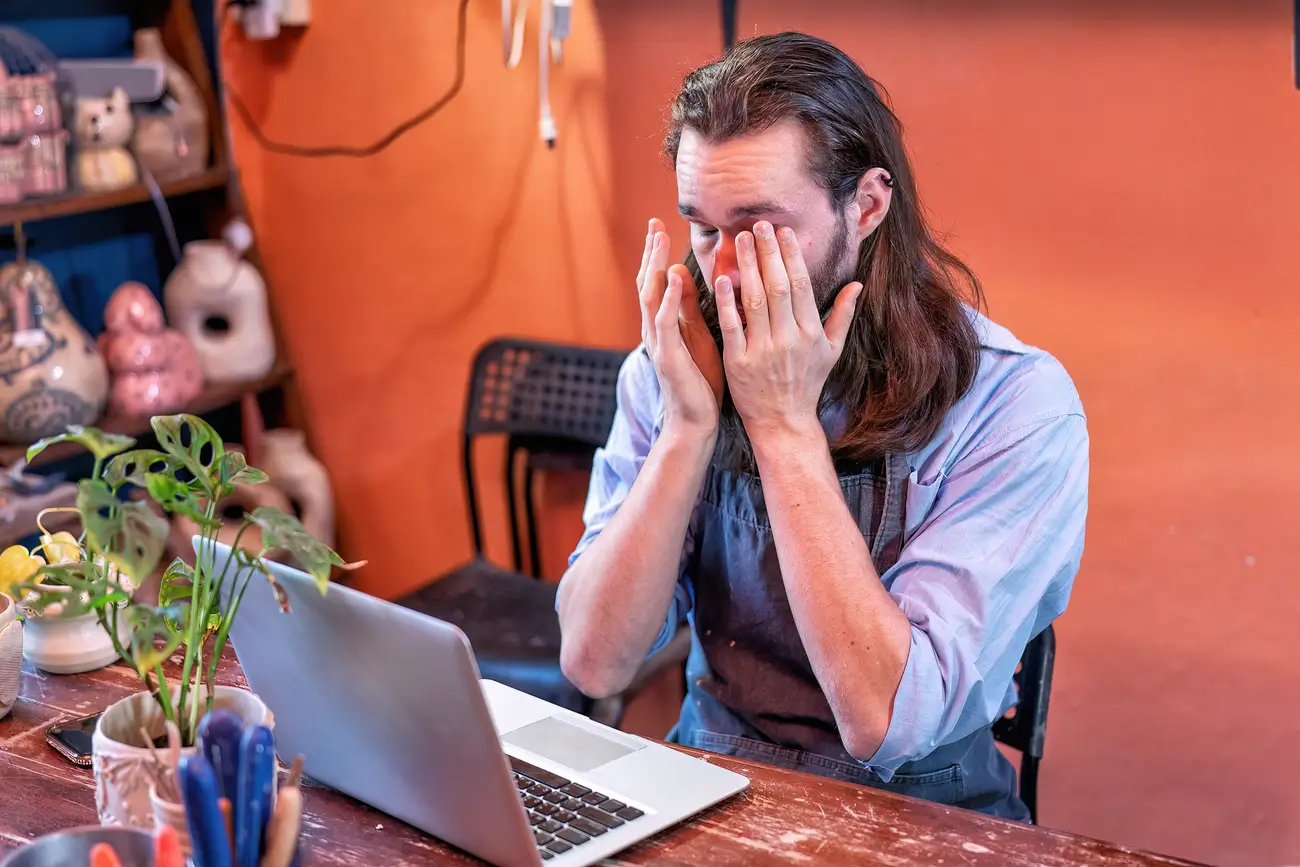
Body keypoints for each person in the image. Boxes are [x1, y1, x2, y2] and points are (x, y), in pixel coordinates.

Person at [556, 31, 1088, 821]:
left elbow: (889, 719)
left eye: (760, 229)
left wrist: (781, 426)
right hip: (711, 775)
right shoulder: (674, 367)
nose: (724, 273)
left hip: (918, 810)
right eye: (703, 229)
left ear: (867, 205)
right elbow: (596, 662)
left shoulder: (1016, 406)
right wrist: (685, 432)